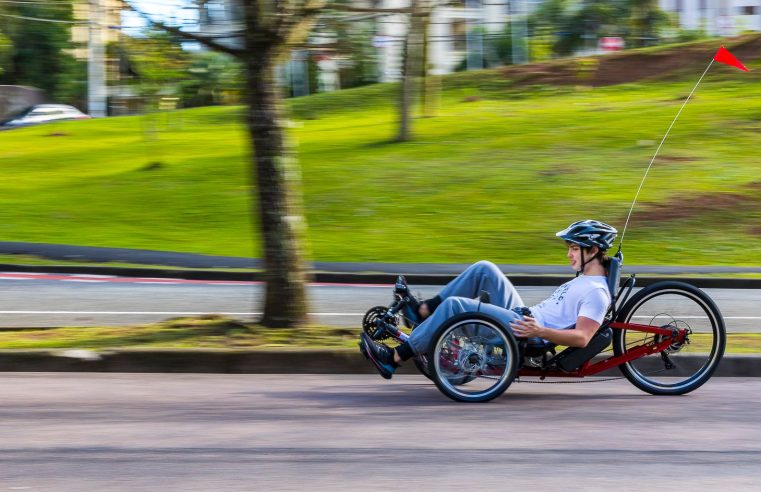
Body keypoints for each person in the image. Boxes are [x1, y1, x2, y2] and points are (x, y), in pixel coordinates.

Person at [359, 219, 618, 379]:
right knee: (485, 268)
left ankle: (393, 359)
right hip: (524, 315)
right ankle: (423, 311)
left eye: (574, 248)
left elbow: (582, 338)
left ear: (593, 250)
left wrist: (540, 330)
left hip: (529, 332)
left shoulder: (595, 292)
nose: (569, 255)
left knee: (455, 307)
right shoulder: (584, 278)